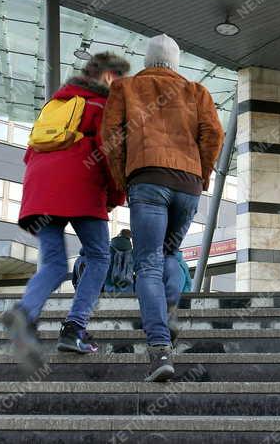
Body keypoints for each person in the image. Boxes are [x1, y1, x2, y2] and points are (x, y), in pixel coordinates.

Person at [102, 34, 224, 382]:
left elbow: (110, 137)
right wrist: (201, 174)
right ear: (176, 63)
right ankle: (167, 312)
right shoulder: (196, 91)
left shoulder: (124, 88)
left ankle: (159, 350)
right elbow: (213, 133)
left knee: (148, 263)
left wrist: (124, 178)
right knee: (169, 253)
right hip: (187, 184)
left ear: (147, 59)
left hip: (148, 180)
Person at [0, 52, 129, 368]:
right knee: (99, 256)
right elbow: (109, 153)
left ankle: (25, 312)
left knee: (55, 264)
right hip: (79, 181)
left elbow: (31, 152)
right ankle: (74, 329)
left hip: (39, 187)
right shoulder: (102, 106)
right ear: (110, 77)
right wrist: (114, 196)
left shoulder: (55, 105)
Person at [105, 228, 135, 293]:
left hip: (108, 291)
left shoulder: (108, 250)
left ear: (119, 235)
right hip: (128, 292)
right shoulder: (132, 252)